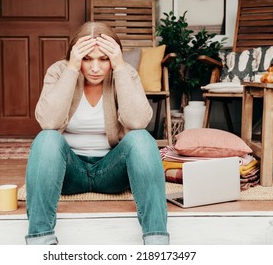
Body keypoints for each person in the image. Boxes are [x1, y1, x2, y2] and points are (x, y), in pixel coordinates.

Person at [25, 21, 169, 245]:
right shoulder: (59, 71)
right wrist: (72, 69)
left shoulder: (125, 72)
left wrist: (120, 67)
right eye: (86, 59)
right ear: (75, 56)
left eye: (103, 59)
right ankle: (40, 242)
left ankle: (156, 242)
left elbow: (138, 121)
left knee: (141, 138)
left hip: (111, 170)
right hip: (68, 172)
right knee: (47, 139)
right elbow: (48, 121)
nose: (95, 68)